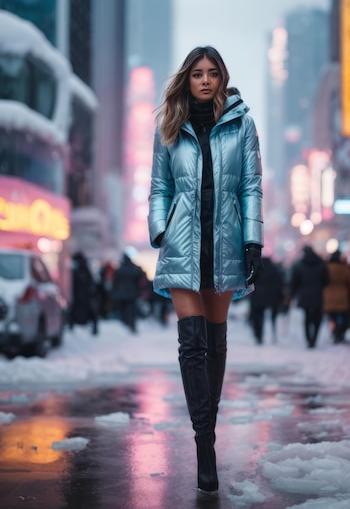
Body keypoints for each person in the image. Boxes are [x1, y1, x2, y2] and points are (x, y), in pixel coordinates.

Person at [148, 46, 263, 494]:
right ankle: (205, 447)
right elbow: (160, 186)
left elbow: (252, 185)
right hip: (183, 244)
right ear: (186, 79)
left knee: (215, 343)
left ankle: (206, 431)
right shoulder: (170, 127)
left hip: (226, 243)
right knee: (191, 344)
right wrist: (161, 230)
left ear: (223, 77)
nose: (205, 80)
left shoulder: (243, 124)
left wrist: (252, 239)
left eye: (212, 73)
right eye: (197, 73)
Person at [289, 245, 328, 348]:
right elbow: (326, 280)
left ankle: (309, 340)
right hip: (317, 294)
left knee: (307, 318)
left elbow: (294, 282)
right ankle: (314, 339)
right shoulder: (320, 264)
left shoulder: (300, 265)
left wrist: (292, 294)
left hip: (305, 295)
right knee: (317, 318)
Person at [249, 256, 286, 344]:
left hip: (257, 297)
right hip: (271, 298)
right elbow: (279, 284)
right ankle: (273, 335)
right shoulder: (274, 270)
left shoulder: (257, 271)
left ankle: (259, 335)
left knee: (258, 317)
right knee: (272, 317)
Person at [111, 252, 149, 333]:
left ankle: (126, 323)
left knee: (124, 309)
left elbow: (114, 281)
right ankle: (132, 324)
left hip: (121, 293)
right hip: (133, 293)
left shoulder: (119, 269)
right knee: (132, 309)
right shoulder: (135, 268)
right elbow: (142, 278)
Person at [323, 249, 350, 343]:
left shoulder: (327, 267)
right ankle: (340, 333)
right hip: (342, 294)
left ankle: (335, 332)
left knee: (332, 316)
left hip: (329, 294)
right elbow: (349, 278)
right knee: (341, 316)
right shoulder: (344, 267)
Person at [69, 251, 99, 335]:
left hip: (82, 294)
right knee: (89, 310)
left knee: (87, 310)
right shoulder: (83, 268)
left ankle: (73, 325)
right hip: (83, 294)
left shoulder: (81, 269)